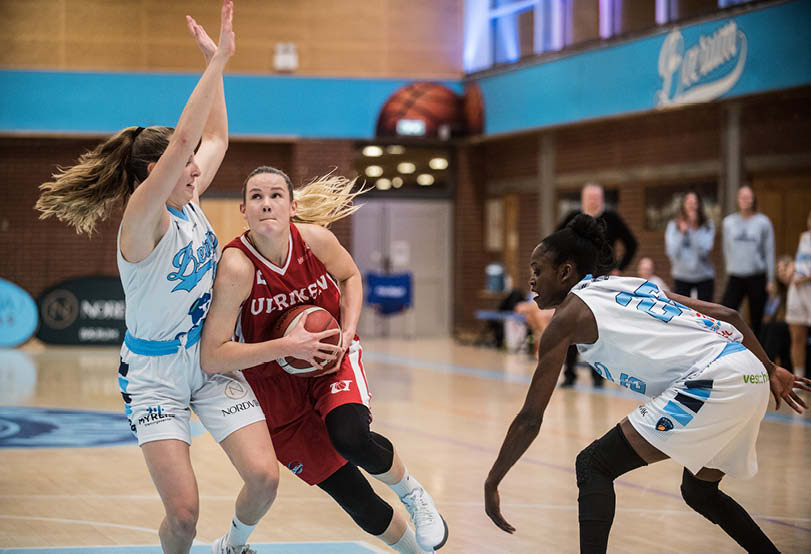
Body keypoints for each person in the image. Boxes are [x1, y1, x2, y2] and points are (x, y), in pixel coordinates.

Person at [35, 5, 278, 554]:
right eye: (187, 162)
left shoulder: (189, 200)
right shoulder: (143, 218)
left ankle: (233, 547)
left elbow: (215, 133)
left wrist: (216, 62)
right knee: (184, 516)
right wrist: (217, 64)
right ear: (156, 172)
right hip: (153, 375)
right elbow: (188, 138)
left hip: (208, 357)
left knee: (264, 478)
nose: (198, 167)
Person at [483, 214, 810, 553]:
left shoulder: (567, 318)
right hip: (749, 370)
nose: (531, 280)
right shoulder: (627, 285)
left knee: (594, 464)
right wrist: (770, 368)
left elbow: (530, 419)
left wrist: (492, 481)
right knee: (699, 491)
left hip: (715, 379)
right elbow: (729, 315)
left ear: (565, 272)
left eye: (537, 270)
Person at [200, 166, 449, 553]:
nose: (267, 204)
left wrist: (348, 331)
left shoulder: (316, 241)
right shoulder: (237, 267)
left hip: (331, 363)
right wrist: (287, 347)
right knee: (355, 498)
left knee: (350, 437)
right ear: (243, 210)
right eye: (256, 197)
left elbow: (351, 277)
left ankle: (414, 495)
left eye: (276, 195)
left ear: (292, 205)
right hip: (275, 392)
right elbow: (213, 356)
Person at [557, 183, 638, 387]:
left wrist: (619, 267)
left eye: (596, 197)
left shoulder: (611, 219)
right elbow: (555, 242)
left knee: (599, 327)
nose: (592, 201)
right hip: (576, 280)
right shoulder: (573, 218)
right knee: (570, 324)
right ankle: (569, 374)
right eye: (589, 197)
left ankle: (598, 375)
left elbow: (632, 244)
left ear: (601, 199)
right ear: (583, 199)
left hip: (602, 280)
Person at [721, 184, 775, 339]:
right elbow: (726, 250)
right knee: (725, 313)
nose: (745, 200)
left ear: (753, 200)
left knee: (757, 319)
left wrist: (770, 279)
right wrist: (730, 268)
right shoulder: (728, 223)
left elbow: (769, 251)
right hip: (736, 276)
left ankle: (760, 356)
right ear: (737, 200)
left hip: (757, 276)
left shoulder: (763, 222)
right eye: (742, 197)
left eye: (749, 197)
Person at [665, 191, 715, 301]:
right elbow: (672, 252)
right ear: (683, 205)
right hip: (681, 276)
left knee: (706, 312)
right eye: (689, 202)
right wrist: (682, 233)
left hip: (704, 276)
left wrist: (692, 230)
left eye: (695, 202)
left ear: (699, 205)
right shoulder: (673, 225)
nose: (692, 206)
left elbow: (705, 251)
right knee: (683, 313)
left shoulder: (708, 225)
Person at [787, 209, 811, 377]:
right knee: (796, 337)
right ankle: (799, 378)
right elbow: (800, 261)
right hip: (797, 291)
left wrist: (804, 278)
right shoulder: (804, 237)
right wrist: (791, 269)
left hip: (807, 286)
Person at [761, 256, 795, 372]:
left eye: (784, 270)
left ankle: (767, 365)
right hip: (782, 328)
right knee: (767, 326)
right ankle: (765, 363)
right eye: (779, 271)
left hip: (795, 326)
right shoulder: (777, 292)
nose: (781, 274)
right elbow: (768, 316)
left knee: (776, 328)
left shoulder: (796, 288)